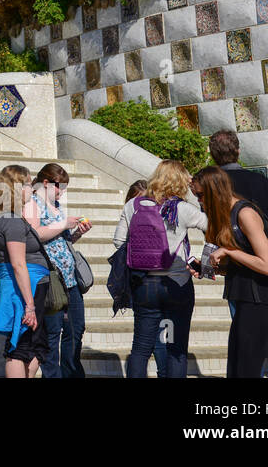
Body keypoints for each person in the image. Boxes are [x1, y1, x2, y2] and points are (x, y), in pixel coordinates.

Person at [208, 131, 268, 377]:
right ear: (238, 151)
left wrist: (216, 261)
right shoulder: (260, 181)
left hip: (242, 276)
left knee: (246, 341)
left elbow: (211, 231)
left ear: (212, 154)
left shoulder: (215, 185)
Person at [113, 160, 206, 377]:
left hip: (144, 285)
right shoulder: (182, 209)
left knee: (141, 348)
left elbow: (118, 242)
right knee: (175, 348)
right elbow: (214, 228)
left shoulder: (133, 205)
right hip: (176, 284)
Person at [192, 166, 268, 378]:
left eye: (201, 195)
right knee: (235, 368)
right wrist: (211, 266)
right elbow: (237, 263)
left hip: (262, 299)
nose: (198, 200)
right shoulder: (225, 215)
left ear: (215, 191)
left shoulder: (245, 213)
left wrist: (229, 251)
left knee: (246, 369)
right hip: (243, 297)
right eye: (195, 195)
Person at [0, 165, 62, 377]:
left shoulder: (10, 217)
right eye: (29, 184)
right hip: (23, 289)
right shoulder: (11, 220)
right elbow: (18, 264)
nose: (32, 190)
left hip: (30, 286)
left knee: (33, 347)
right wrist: (29, 306)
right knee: (19, 346)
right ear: (15, 187)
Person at [32, 163, 93, 377]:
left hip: (70, 279)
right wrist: (64, 224)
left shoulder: (55, 204)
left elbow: (63, 241)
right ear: (46, 182)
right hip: (51, 280)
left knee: (76, 329)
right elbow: (37, 234)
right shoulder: (33, 204)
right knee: (52, 334)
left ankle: (72, 373)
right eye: (60, 186)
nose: (62, 191)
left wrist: (77, 232)